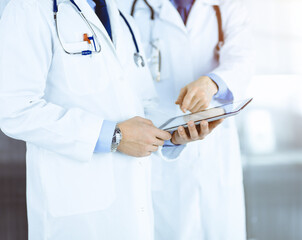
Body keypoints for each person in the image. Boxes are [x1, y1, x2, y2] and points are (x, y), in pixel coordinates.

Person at [0, 0, 222, 239]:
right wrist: (114, 136)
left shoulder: (123, 20)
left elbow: (143, 105)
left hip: (132, 208)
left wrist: (173, 134)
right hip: (76, 210)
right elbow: (14, 109)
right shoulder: (29, 7)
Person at [118, 0, 254, 239]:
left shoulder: (227, 6)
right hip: (158, 149)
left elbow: (243, 61)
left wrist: (212, 83)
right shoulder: (128, 6)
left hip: (215, 152)